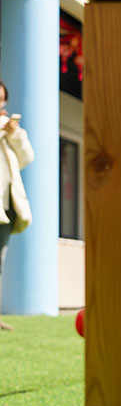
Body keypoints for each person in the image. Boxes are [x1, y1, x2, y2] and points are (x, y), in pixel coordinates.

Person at [0, 79, 34, 331]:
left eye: (2, 100)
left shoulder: (9, 132)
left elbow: (27, 158)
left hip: (5, 208)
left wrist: (14, 134)